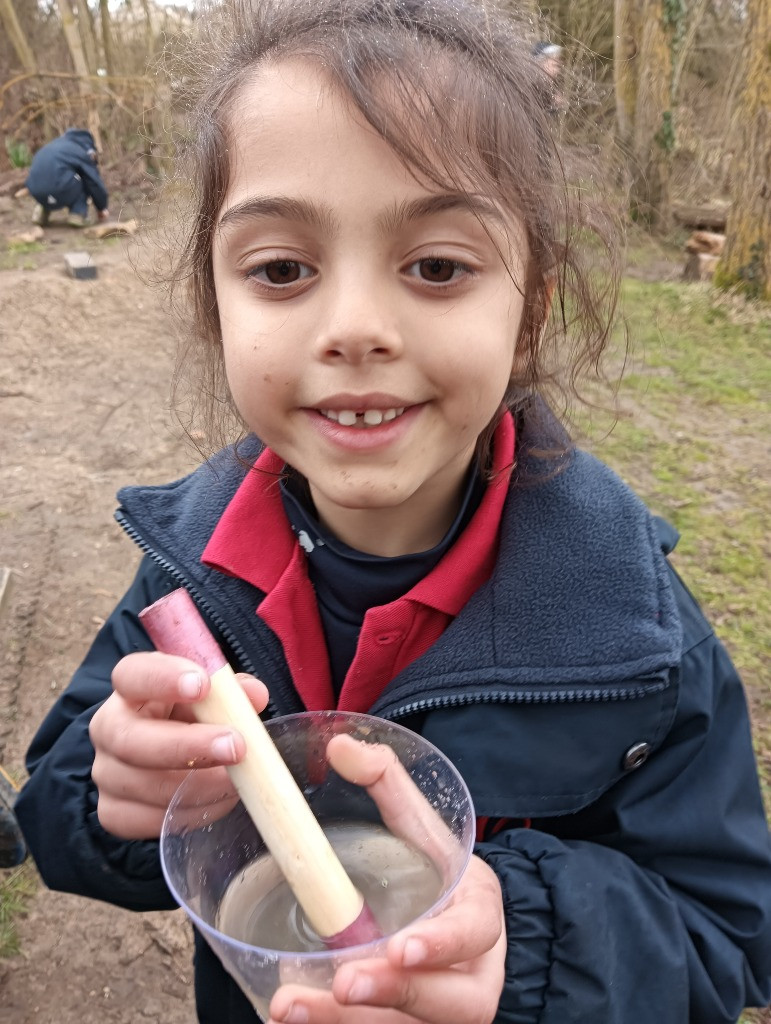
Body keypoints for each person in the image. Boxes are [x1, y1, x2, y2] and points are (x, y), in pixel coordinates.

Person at [14, 2, 771, 1023]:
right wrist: (114, 800)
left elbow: (728, 944)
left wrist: (531, 947)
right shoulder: (189, 572)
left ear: (532, 304)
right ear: (215, 303)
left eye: (438, 267)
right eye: (282, 270)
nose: (356, 327)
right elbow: (56, 814)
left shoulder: (638, 636)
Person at [25, 128, 110, 228]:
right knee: (85, 178)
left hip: (35, 190)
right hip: (58, 189)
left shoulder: (52, 146)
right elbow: (94, 182)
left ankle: (40, 213)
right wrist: (102, 207)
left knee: (47, 182)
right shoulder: (81, 151)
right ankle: (77, 214)